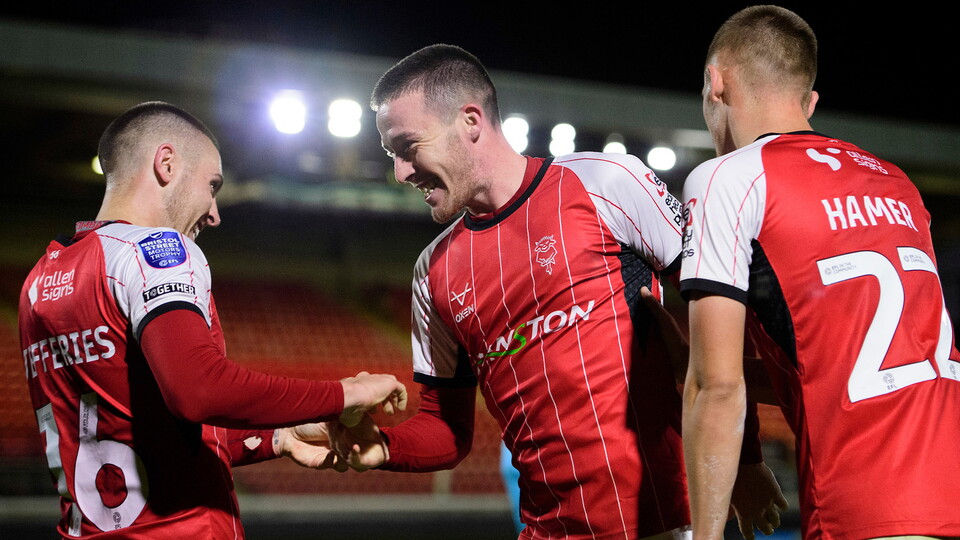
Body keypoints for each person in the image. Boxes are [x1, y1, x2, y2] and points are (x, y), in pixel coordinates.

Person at [326, 44, 785, 540]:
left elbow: (725, 309)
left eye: (408, 147)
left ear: (471, 121)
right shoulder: (431, 271)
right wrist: (384, 447)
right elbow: (447, 430)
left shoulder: (605, 181)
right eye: (391, 155)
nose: (400, 172)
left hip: (669, 524)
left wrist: (746, 459)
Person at [18, 101, 407, 538]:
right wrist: (346, 392)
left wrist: (276, 438)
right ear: (166, 164)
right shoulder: (156, 251)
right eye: (213, 185)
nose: (215, 213)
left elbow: (140, 435)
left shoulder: (41, 278)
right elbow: (198, 390)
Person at [679, 6, 960, 540]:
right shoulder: (898, 184)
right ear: (808, 102)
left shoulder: (727, 179)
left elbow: (716, 387)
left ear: (716, 83)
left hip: (864, 509)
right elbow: (843, 367)